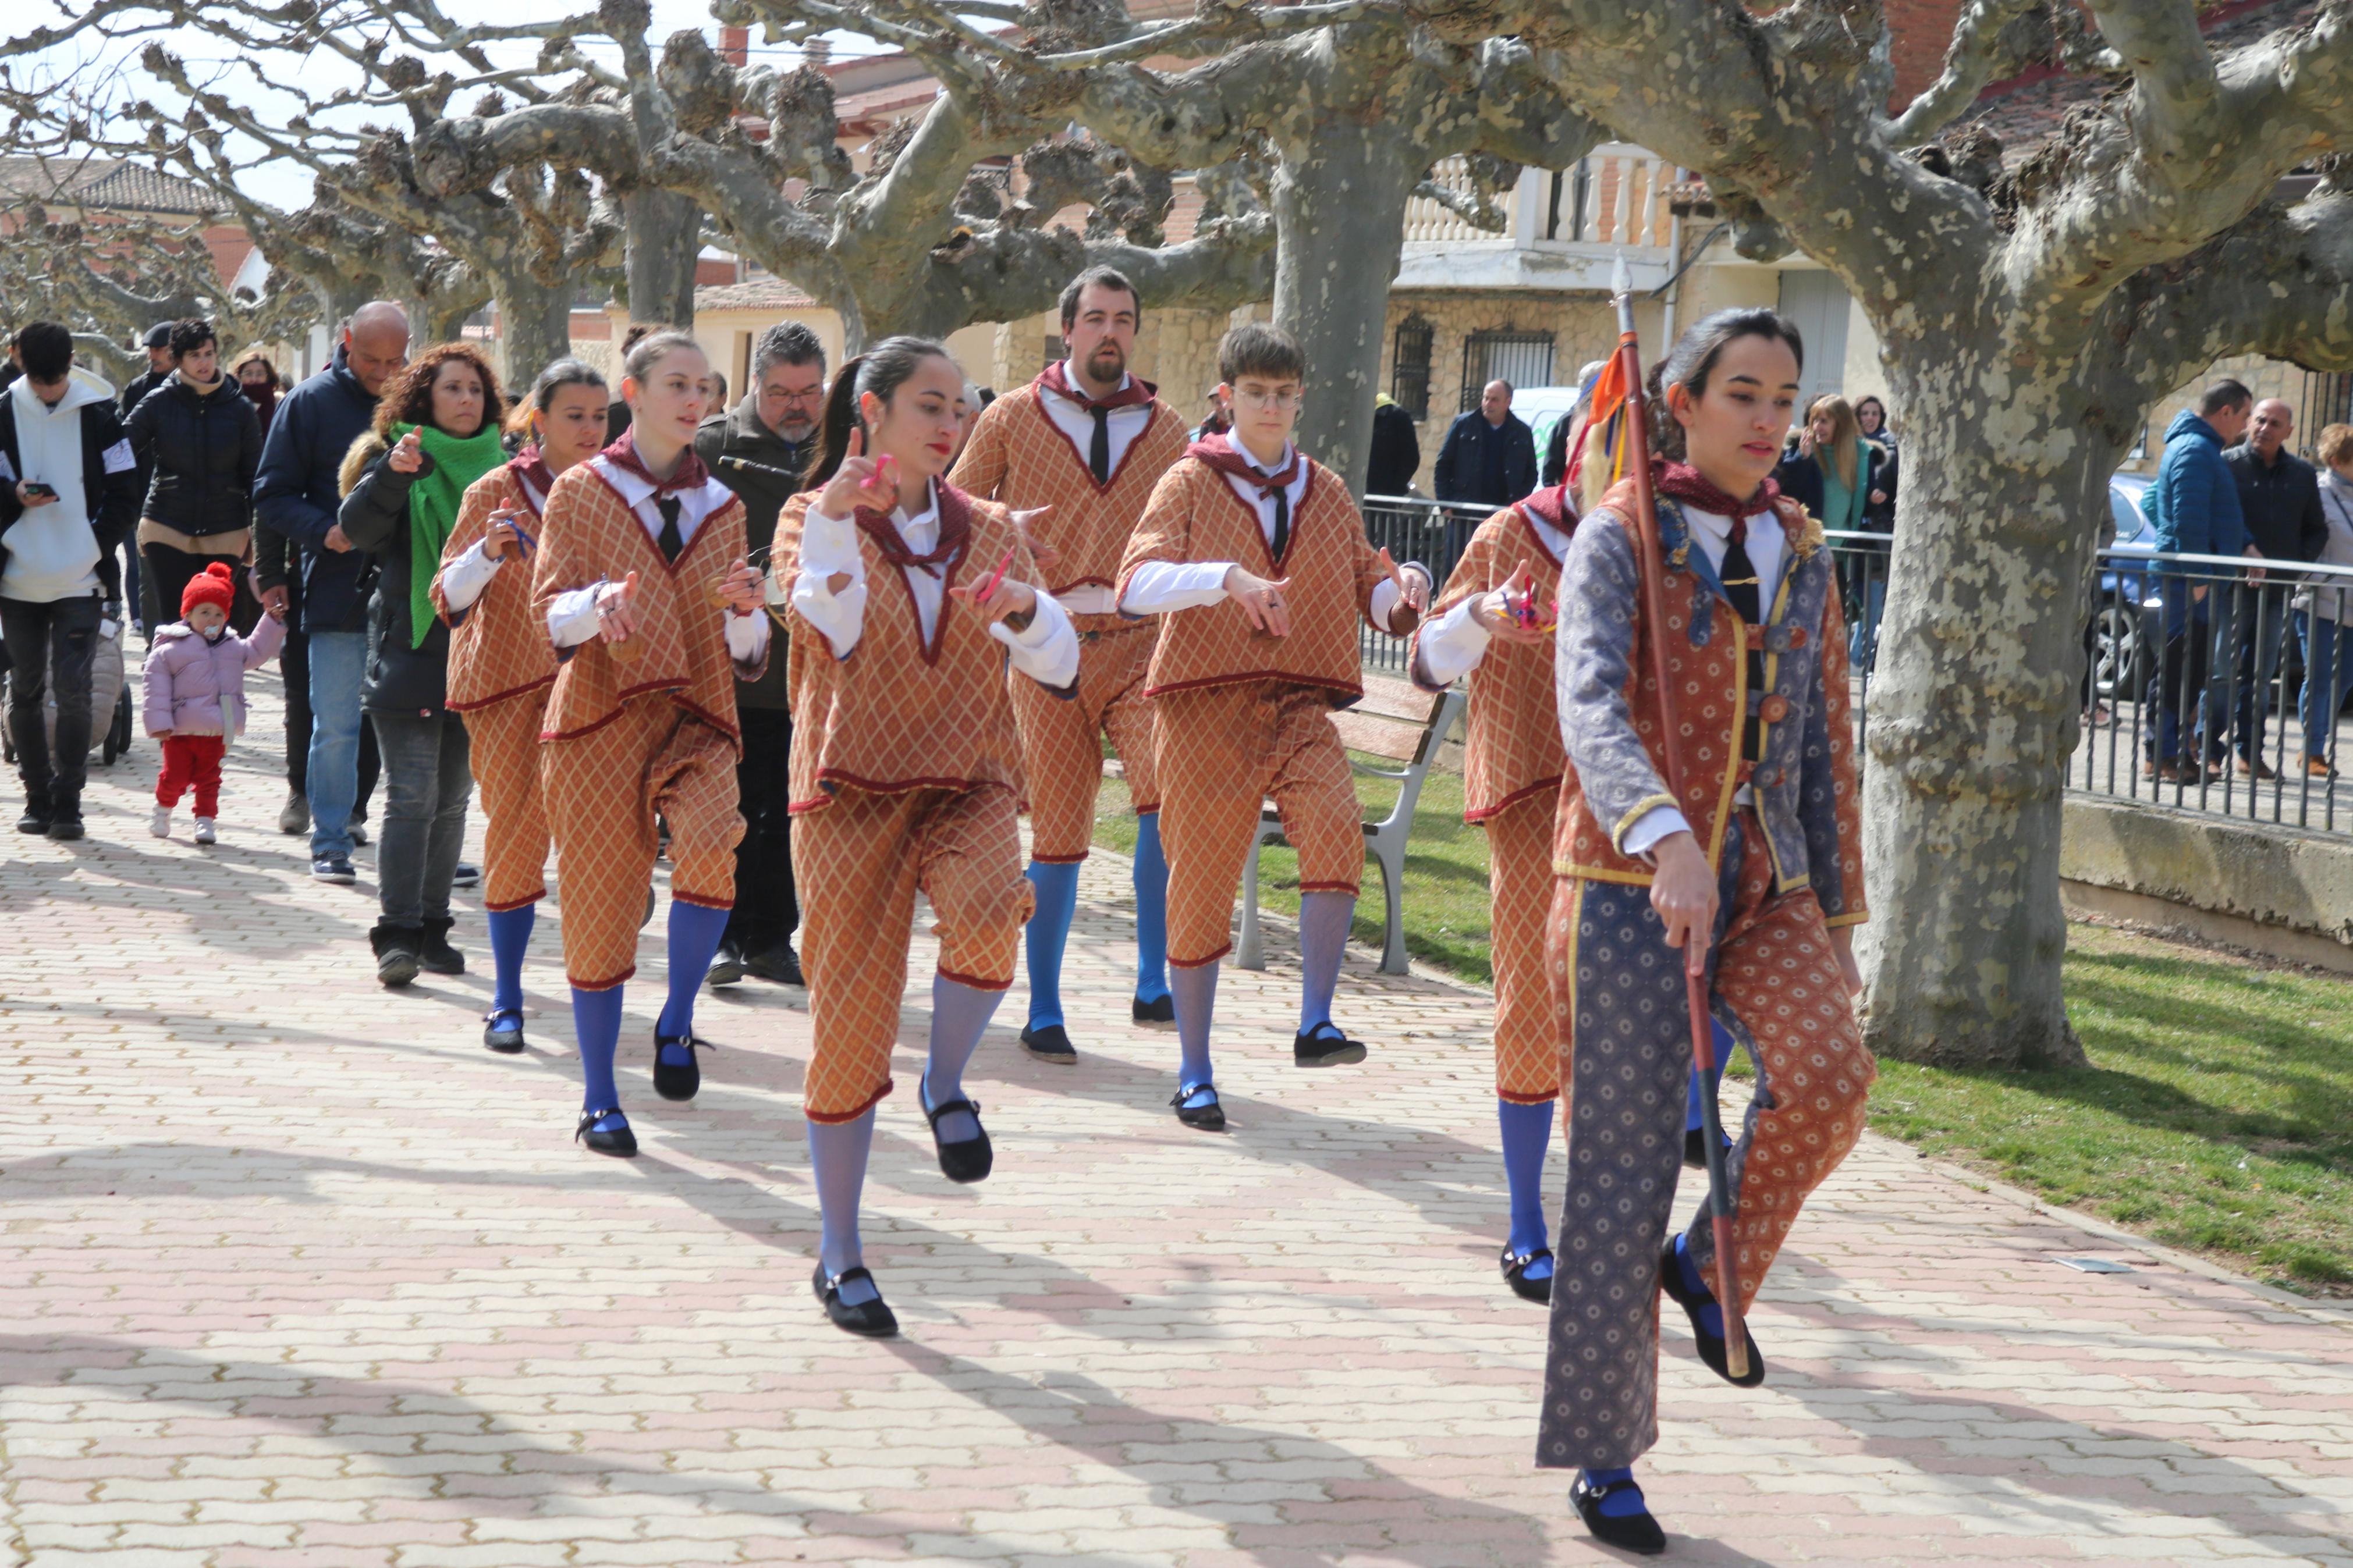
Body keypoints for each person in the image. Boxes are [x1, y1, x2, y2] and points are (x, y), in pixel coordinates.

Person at [1539, 308, 1871, 1552]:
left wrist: (1835, 913)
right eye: (1741, 392)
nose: (1766, 419)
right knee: (1619, 1172)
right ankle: (1602, 1453)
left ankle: (1709, 1257)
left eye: (1784, 398)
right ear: (1677, 401)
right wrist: (1657, 833)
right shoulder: (1615, 536)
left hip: (1768, 876)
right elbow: (1587, 703)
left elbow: (1827, 735)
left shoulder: (1801, 541)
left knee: (1831, 1078)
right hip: (1630, 884)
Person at [778, 336, 1077, 1337]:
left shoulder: (990, 527)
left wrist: (1028, 611)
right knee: (848, 1032)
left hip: (966, 778)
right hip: (847, 788)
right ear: (870, 411)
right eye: (928, 406)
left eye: (958, 408)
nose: (949, 426)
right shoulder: (806, 517)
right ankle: (841, 1253)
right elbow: (835, 627)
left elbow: (1059, 664)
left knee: (997, 908)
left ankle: (946, 1084)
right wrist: (832, 519)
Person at [1116, 322, 1431, 1130]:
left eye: (1284, 394)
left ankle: (1315, 1021)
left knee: (1333, 829)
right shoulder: (1186, 483)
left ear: (1300, 399)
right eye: (1254, 393)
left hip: (1296, 702)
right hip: (1201, 704)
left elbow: (1369, 584)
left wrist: (1403, 595)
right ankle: (1194, 1070)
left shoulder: (1323, 489)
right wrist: (1223, 577)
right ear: (1224, 398)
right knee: (1199, 886)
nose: (1270, 407)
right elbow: (1136, 581)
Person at [530, 329, 769, 1158]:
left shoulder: (727, 506)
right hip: (597, 720)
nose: (695, 398)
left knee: (713, 841)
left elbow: (745, 652)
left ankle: (677, 1016)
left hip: (697, 719)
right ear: (633, 392)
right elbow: (547, 612)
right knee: (598, 913)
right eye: (677, 382)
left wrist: (746, 609)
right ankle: (599, 1096)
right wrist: (597, 602)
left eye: (705, 385)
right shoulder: (579, 491)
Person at [952, 266, 1190, 1064]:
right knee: (1056, 831)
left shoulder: (1167, 429)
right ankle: (1044, 1005)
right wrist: (999, 526)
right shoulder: (1012, 417)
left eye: (1123, 318)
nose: (1110, 332)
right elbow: (951, 510)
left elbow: (1204, 527)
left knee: (1165, 797)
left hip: (1138, 643)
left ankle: (1153, 979)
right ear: (1066, 330)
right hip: (1044, 650)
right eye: (1095, 318)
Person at [1410, 479, 1568, 1304]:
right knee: (1529, 1004)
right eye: (1604, 432)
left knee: (1635, 1013)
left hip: (1641, 809)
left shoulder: (1668, 536)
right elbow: (1427, 660)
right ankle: (1524, 1221)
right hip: (1528, 795)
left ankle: (1616, 1216)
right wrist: (1479, 616)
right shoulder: (1509, 532)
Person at [434, 358, 609, 1049]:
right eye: (575, 415)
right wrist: (485, 552)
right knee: (514, 838)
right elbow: (446, 596)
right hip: (505, 688)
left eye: (600, 416)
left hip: (591, 686)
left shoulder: (614, 493)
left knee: (598, 845)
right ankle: (506, 997)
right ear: (537, 420)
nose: (590, 429)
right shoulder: (496, 491)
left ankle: (599, 991)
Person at [336, 343, 510, 986]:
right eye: (452, 389)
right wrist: (393, 475)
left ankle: (434, 927)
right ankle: (397, 932)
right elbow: (356, 530)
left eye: (475, 390)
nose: (467, 400)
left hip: (483, 660)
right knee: (412, 796)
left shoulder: (508, 468)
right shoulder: (400, 461)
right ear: (423, 401)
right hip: (411, 652)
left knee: (454, 800)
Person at [694, 319, 826, 989]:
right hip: (724, 664)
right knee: (723, 813)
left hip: (808, 667)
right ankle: (718, 939)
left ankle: (773, 939)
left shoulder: (838, 449)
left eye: (808, 391)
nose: (795, 405)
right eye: (780, 392)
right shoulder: (713, 446)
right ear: (755, 386)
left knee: (786, 813)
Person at [256, 303, 408, 878]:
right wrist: (325, 532)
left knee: (406, 726)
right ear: (346, 341)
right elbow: (271, 494)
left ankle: (404, 841)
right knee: (337, 723)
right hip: (336, 589)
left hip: (408, 591)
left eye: (396, 360)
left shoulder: (421, 401)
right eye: (372, 359)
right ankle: (330, 840)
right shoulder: (308, 403)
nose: (384, 372)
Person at [0, 321, 142, 839]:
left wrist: (95, 544)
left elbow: (128, 490)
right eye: (40, 381)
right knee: (27, 687)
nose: (49, 390)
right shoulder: (3, 410)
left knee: (76, 689)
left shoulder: (102, 414)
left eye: (57, 379)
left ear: (72, 364)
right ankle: (36, 794)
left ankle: (69, 799)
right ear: (20, 366)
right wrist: (13, 493)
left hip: (82, 577)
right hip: (18, 578)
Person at [2143, 381, 2254, 782]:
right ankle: (2163, 757)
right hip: (2188, 583)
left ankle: (2171, 753)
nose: (2244, 427)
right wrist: (2198, 575)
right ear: (2225, 412)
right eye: (2244, 416)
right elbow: (2187, 518)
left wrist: (2245, 546)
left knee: (2184, 670)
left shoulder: (2200, 449)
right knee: (2177, 669)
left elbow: (2161, 503)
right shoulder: (2194, 450)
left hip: (2193, 579)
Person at [123, 318, 264, 623]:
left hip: (227, 528)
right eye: (195, 355)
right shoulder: (158, 401)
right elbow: (120, 450)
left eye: (209, 353)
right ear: (179, 360)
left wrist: (264, 532)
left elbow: (256, 474)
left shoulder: (240, 408)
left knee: (218, 621)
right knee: (177, 623)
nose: (204, 362)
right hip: (167, 525)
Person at [141, 560, 286, 844]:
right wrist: (159, 724)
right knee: (176, 777)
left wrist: (271, 620)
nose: (212, 620)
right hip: (180, 731)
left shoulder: (232, 647)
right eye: (205, 612)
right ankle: (163, 809)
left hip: (217, 730)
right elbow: (155, 689)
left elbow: (256, 651)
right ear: (188, 614)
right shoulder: (170, 650)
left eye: (219, 614)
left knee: (209, 780)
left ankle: (204, 820)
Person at [2221, 399, 2328, 777]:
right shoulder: (2227, 464)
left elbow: (2317, 528)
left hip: (2276, 590)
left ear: (2289, 432)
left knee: (2260, 673)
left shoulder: (2300, 474)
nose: (2265, 428)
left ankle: (2250, 755)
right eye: (2260, 420)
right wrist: (2239, 553)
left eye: (2274, 423)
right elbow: (2220, 520)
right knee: (2221, 669)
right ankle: (2202, 744)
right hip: (2230, 586)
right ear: (2248, 422)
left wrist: (2294, 568)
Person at [1775, 395, 1888, 667]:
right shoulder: (1799, 449)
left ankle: (1826, 676)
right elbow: (1788, 493)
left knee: (1835, 622)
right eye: (1814, 420)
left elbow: (1863, 507)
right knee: (1802, 618)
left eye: (1824, 420)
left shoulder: (1862, 454)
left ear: (1841, 424)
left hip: (1841, 556)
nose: (1817, 426)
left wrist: (1874, 499)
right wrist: (1802, 459)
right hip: (1805, 550)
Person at [2295, 423, 2353, 778]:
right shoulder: (2316, 493)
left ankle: (2317, 742)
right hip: (2321, 600)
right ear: (2336, 460)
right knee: (2319, 678)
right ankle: (2312, 749)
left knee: (2344, 679)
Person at [1432, 379, 1538, 510]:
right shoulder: (1464, 425)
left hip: (1502, 514)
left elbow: (1531, 474)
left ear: (1508, 402)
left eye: (1494, 400)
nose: (1488, 404)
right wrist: (1445, 505)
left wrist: (1518, 504)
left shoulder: (1522, 432)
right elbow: (1443, 464)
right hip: (1464, 512)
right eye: (1485, 398)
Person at [1365, 392, 1420, 496]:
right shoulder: (1356, 412)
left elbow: (1411, 458)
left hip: (1384, 496)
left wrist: (1395, 489)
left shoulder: (1398, 417)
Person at [235, 353, 282, 440]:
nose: (254, 379)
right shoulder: (232, 404)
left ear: (268, 377)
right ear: (239, 376)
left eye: (260, 374)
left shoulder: (279, 406)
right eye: (249, 374)